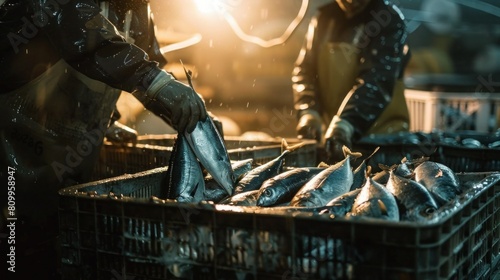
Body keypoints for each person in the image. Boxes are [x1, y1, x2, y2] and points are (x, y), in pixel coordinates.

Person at [0, 0, 207, 279]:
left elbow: (137, 60)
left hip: (70, 157)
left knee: (57, 244)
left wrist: (184, 112)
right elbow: (75, 26)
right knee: (14, 248)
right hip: (12, 152)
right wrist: (154, 81)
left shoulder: (140, 11)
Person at [292, 0, 411, 163]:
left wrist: (346, 125)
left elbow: (376, 81)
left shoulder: (388, 19)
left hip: (382, 146)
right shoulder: (323, 18)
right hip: (334, 140)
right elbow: (305, 70)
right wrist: (308, 111)